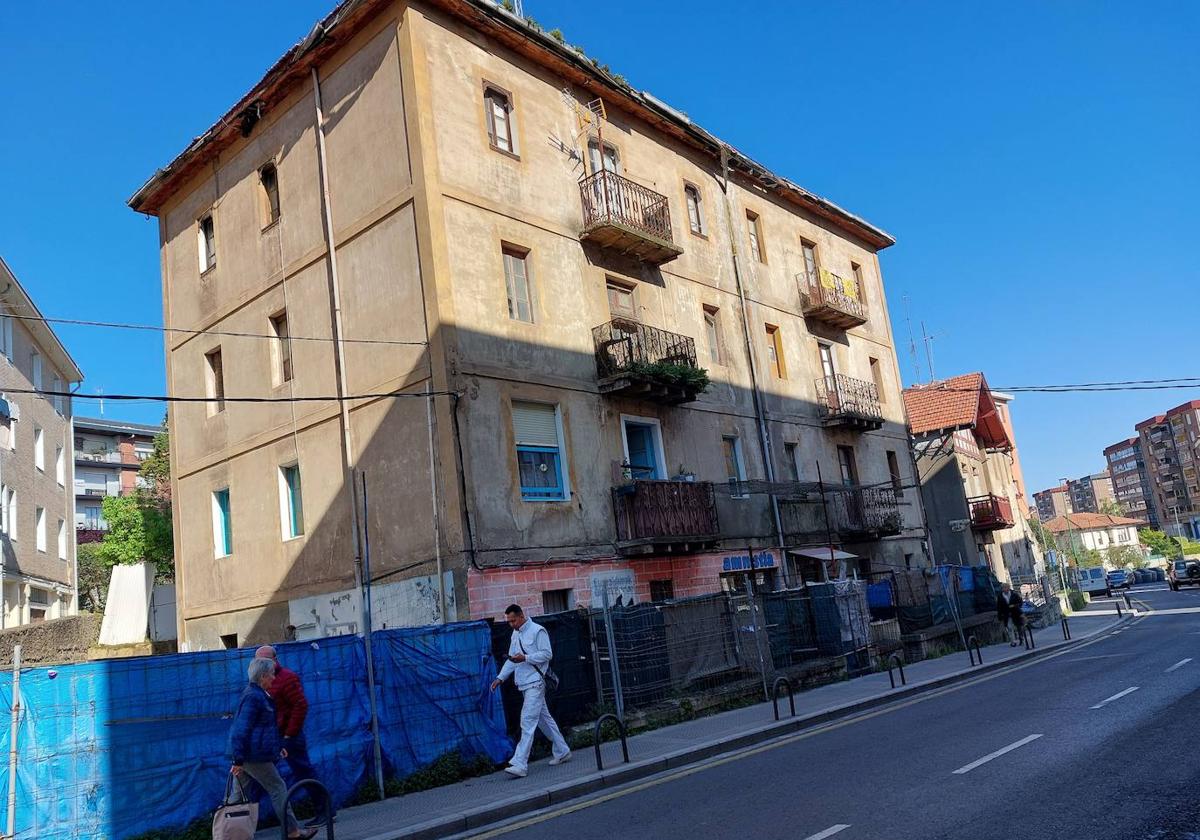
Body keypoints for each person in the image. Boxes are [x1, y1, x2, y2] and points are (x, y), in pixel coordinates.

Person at [227, 657, 318, 840]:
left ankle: (227, 834)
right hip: (253, 756)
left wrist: (277, 747)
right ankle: (293, 831)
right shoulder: (254, 697)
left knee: (238, 796)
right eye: (270, 675)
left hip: (248, 754)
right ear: (262, 677)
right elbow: (241, 729)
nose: (274, 679)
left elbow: (263, 729)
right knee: (277, 787)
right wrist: (237, 758)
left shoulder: (257, 695)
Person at [490, 604, 571, 778]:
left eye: (512, 620)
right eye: (508, 621)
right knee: (544, 719)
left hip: (536, 682)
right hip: (525, 683)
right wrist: (500, 678)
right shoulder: (516, 633)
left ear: (521, 616)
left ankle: (520, 763)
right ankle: (562, 750)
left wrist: (525, 657)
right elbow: (512, 659)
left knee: (527, 720)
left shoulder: (537, 630)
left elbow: (547, 654)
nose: (510, 624)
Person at [255, 645, 331, 828]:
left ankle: (325, 812)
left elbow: (300, 706)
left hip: (288, 736)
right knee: (265, 775)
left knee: (303, 771)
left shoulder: (287, 678)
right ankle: (251, 821)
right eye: (257, 661)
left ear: (274, 660)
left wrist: (289, 734)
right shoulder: (264, 680)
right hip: (274, 736)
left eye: (263, 660)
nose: (260, 664)